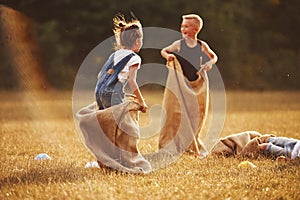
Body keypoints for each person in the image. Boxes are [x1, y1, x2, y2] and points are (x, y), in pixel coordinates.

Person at [95, 14, 147, 113]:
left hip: (99, 93)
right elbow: (132, 81)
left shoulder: (114, 55)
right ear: (137, 41)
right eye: (141, 39)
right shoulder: (134, 58)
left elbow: (100, 76)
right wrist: (142, 101)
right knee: (121, 122)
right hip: (113, 95)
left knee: (106, 121)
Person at [161, 14, 218, 81]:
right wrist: (167, 56)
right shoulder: (179, 44)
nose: (182, 29)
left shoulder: (201, 45)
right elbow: (163, 51)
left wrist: (210, 63)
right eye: (182, 26)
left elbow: (214, 57)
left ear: (196, 30)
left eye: (186, 26)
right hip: (180, 81)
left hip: (196, 81)